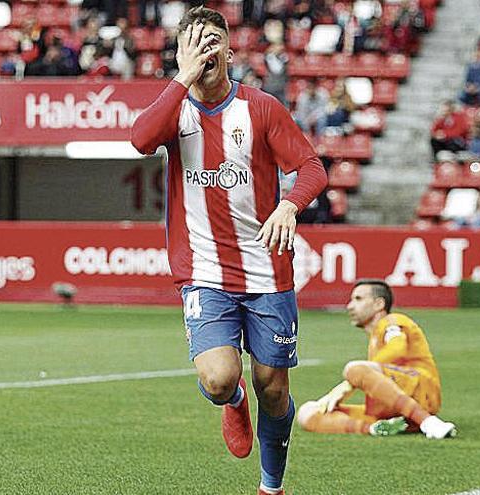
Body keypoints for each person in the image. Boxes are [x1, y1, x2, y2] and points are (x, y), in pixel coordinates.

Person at [129, 7, 328, 495]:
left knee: (275, 388)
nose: (207, 50)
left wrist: (289, 206)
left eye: (214, 40)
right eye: (196, 42)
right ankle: (232, 399)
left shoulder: (260, 107)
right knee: (219, 379)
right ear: (182, 53)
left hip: (267, 271)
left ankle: (270, 487)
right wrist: (182, 77)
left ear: (230, 51)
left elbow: (312, 168)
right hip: (203, 270)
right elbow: (139, 139)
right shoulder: (175, 111)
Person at [297, 280, 457, 439]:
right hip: (392, 408)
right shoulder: (375, 338)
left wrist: (352, 380)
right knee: (308, 412)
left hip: (421, 393)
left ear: (379, 304)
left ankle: (429, 422)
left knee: (354, 368)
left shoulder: (392, 321)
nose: (350, 306)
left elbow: (398, 347)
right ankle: (375, 428)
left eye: (358, 299)